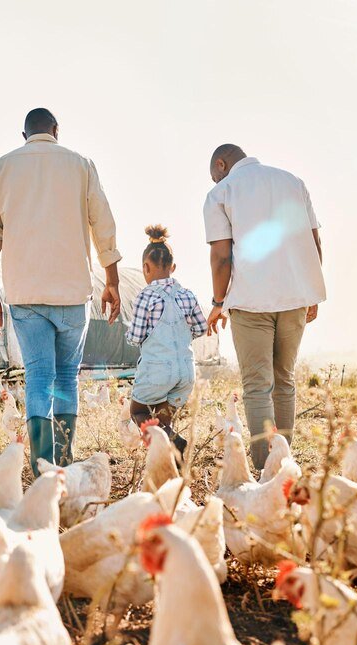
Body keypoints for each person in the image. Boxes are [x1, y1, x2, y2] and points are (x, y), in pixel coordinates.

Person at [0, 108, 121, 476]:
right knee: (67, 377)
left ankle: (42, 465)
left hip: (25, 295)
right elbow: (104, 226)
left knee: (39, 377)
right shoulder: (81, 165)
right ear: (56, 130)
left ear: (23, 135)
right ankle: (64, 460)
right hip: (72, 293)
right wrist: (112, 282)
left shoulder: (1, 168)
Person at [203, 144, 325, 470]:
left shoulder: (221, 192)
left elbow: (221, 255)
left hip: (250, 302)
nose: (215, 181)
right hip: (294, 298)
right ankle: (285, 467)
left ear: (221, 164)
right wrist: (311, 292)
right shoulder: (293, 182)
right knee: (284, 380)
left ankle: (264, 470)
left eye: (214, 175)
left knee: (258, 387)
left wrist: (218, 302)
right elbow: (314, 242)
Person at [126, 225, 208, 455]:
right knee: (163, 420)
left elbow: (135, 337)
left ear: (145, 267)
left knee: (138, 411)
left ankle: (175, 442)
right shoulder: (187, 295)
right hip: (185, 372)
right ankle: (169, 459)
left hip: (157, 370)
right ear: (173, 267)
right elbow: (201, 328)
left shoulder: (145, 296)